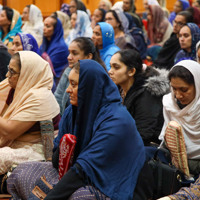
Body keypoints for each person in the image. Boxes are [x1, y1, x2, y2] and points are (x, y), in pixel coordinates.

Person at [46, 59, 145, 199]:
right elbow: (57, 159)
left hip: (111, 178)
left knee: (80, 197)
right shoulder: (72, 111)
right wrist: (65, 147)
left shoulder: (117, 120)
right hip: (79, 171)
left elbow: (85, 168)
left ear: (89, 87)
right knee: (22, 172)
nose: (68, 89)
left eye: (74, 84)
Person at [0, 51, 60, 193]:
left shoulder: (40, 98)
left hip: (36, 150)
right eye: (8, 69)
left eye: (12, 72)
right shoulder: (16, 88)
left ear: (28, 74)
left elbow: (9, 131)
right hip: (16, 143)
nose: (7, 75)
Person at [109, 49, 169, 145]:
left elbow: (144, 134)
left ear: (131, 71)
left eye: (116, 67)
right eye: (110, 66)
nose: (110, 71)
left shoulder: (147, 94)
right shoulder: (118, 90)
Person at [159, 60, 200, 177]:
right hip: (174, 163)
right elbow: (167, 140)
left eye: (184, 90)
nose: (178, 95)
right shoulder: (169, 104)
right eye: (174, 88)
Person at [55, 37, 106, 115]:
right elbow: (57, 98)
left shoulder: (96, 77)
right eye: (69, 53)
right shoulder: (68, 71)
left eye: (74, 53)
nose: (69, 57)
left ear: (89, 56)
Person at [40, 15, 69, 81]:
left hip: (57, 81)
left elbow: (48, 68)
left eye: (48, 26)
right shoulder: (44, 44)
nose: (44, 28)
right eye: (44, 25)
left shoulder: (61, 47)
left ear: (55, 29)